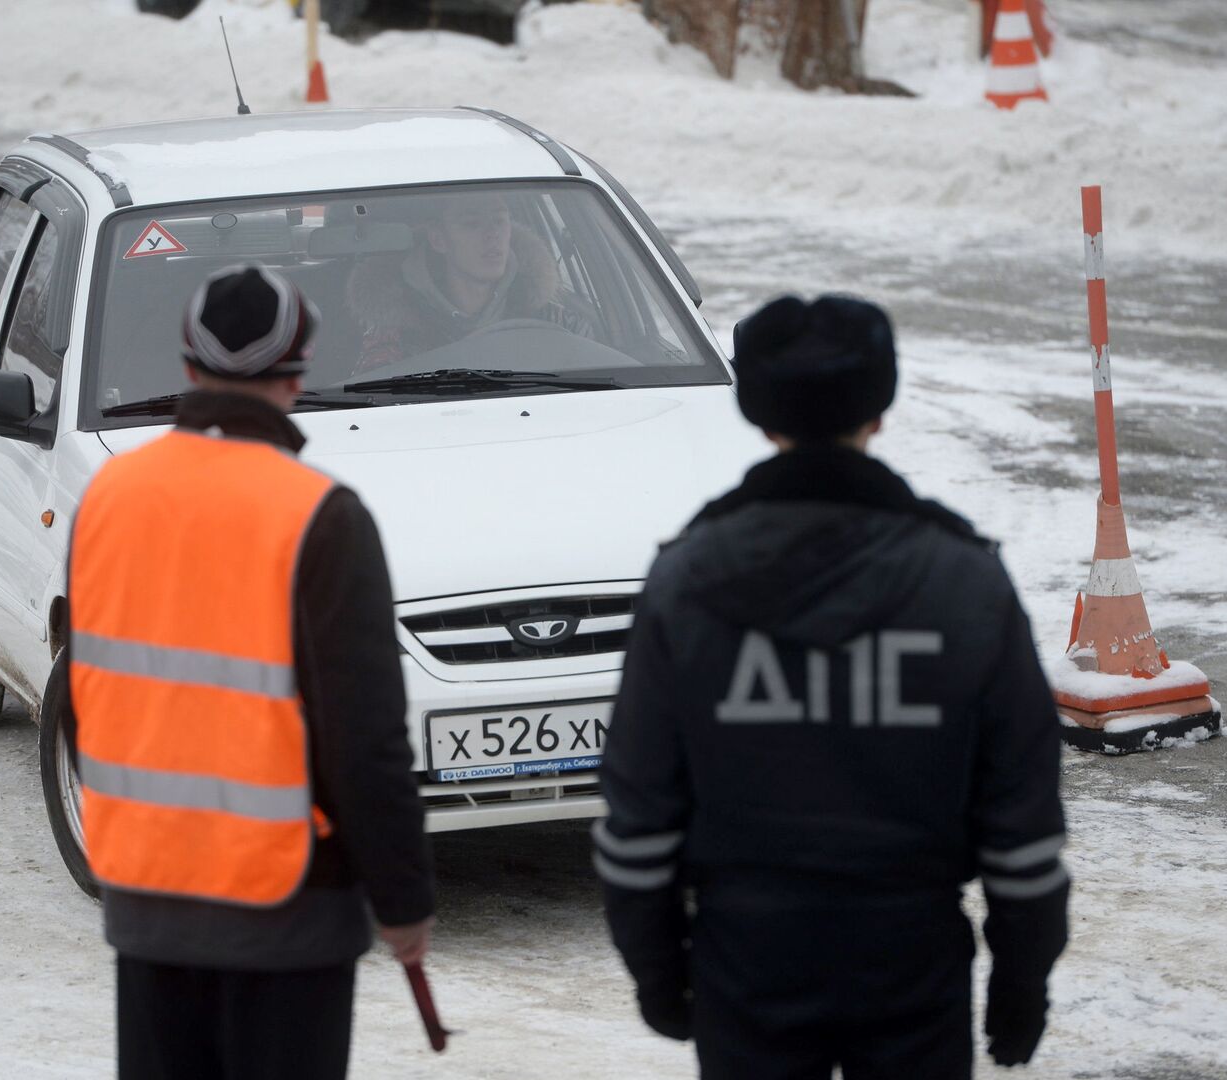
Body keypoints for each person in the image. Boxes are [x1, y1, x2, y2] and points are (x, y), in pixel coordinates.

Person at [593, 295, 1069, 1078]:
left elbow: (639, 813)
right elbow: (1022, 820)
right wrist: (1022, 983)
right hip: (912, 965)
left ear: (760, 416)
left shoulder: (688, 579)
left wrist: (659, 972)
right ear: (879, 409)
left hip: (746, 965)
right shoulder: (963, 579)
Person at [67, 263, 436, 1080]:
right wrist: (403, 899)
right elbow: (365, 737)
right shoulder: (321, 516)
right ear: (298, 373)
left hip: (147, 888)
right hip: (287, 905)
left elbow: (84, 687)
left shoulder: (109, 498)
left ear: (188, 366)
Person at [346, 192, 596, 374]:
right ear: (438, 239)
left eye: (499, 221)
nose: (492, 235)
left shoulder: (559, 324)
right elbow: (375, 413)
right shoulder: (394, 336)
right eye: (471, 223)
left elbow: (596, 392)